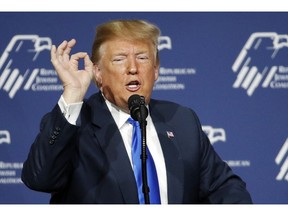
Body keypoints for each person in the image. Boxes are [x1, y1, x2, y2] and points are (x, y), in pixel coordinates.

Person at [21, 19, 252, 204]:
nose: (133, 68)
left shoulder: (182, 120)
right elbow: (39, 179)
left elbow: (224, 188)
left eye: (142, 58)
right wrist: (72, 93)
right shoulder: (76, 123)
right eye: (120, 59)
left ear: (156, 69)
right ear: (98, 73)